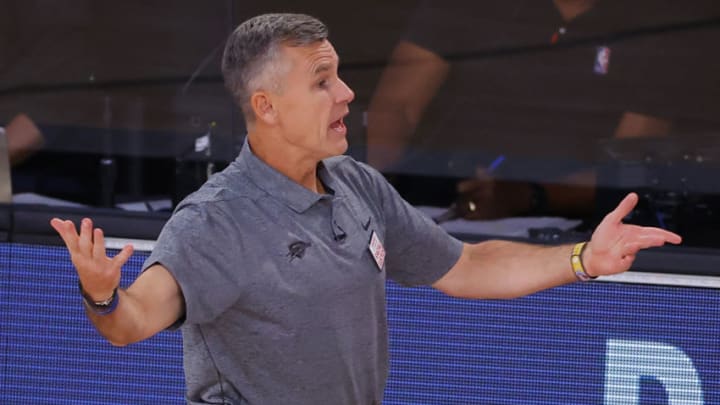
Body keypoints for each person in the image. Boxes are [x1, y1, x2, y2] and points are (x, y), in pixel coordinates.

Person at [49, 13, 681, 404]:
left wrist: (583, 260)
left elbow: (465, 266)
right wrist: (104, 295)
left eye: (341, 75)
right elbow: (131, 322)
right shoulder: (214, 221)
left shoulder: (356, 184)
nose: (347, 94)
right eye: (322, 81)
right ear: (266, 106)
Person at [367, 0, 720, 222]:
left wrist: (529, 196)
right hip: (437, 203)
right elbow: (397, 108)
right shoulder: (464, 8)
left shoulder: (660, 24)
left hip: (566, 224)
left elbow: (628, 169)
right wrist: (374, 197)